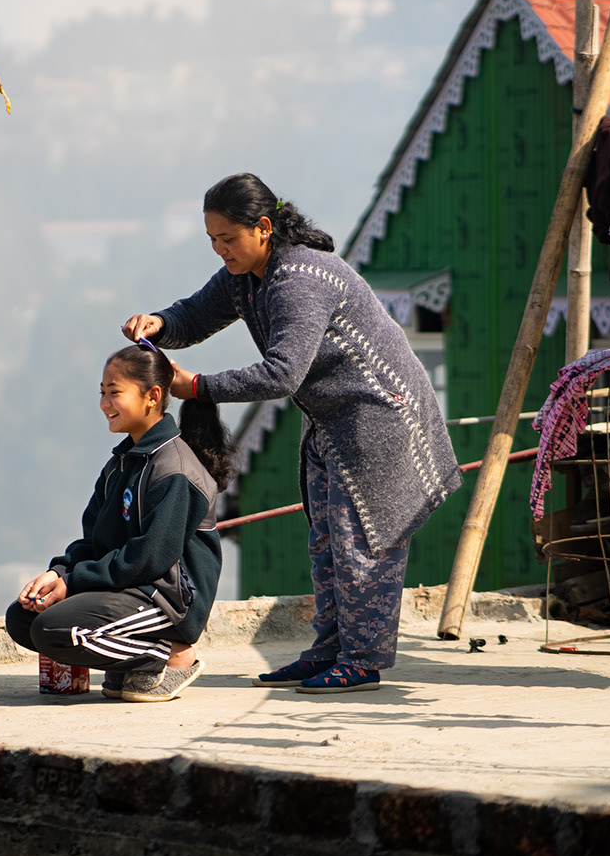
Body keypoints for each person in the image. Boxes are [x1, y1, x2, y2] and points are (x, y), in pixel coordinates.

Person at [122, 173, 461, 693]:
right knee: (326, 542)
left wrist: (199, 387)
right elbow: (195, 314)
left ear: (262, 228)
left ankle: (363, 660)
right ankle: (330, 650)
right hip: (332, 419)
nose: (220, 251)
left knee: (362, 544)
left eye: (227, 239)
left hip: (380, 419)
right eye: (211, 240)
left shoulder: (300, 277)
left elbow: (283, 374)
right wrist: (160, 325)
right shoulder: (245, 274)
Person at [6, 342, 232, 703]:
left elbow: (150, 558)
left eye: (114, 393)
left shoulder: (174, 469)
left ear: (152, 396)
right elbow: (94, 541)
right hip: (129, 587)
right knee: (23, 617)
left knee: (53, 629)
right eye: (102, 393)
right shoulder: (121, 465)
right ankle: (134, 659)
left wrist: (74, 582)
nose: (104, 404)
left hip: (168, 600)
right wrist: (60, 573)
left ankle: (169, 656)